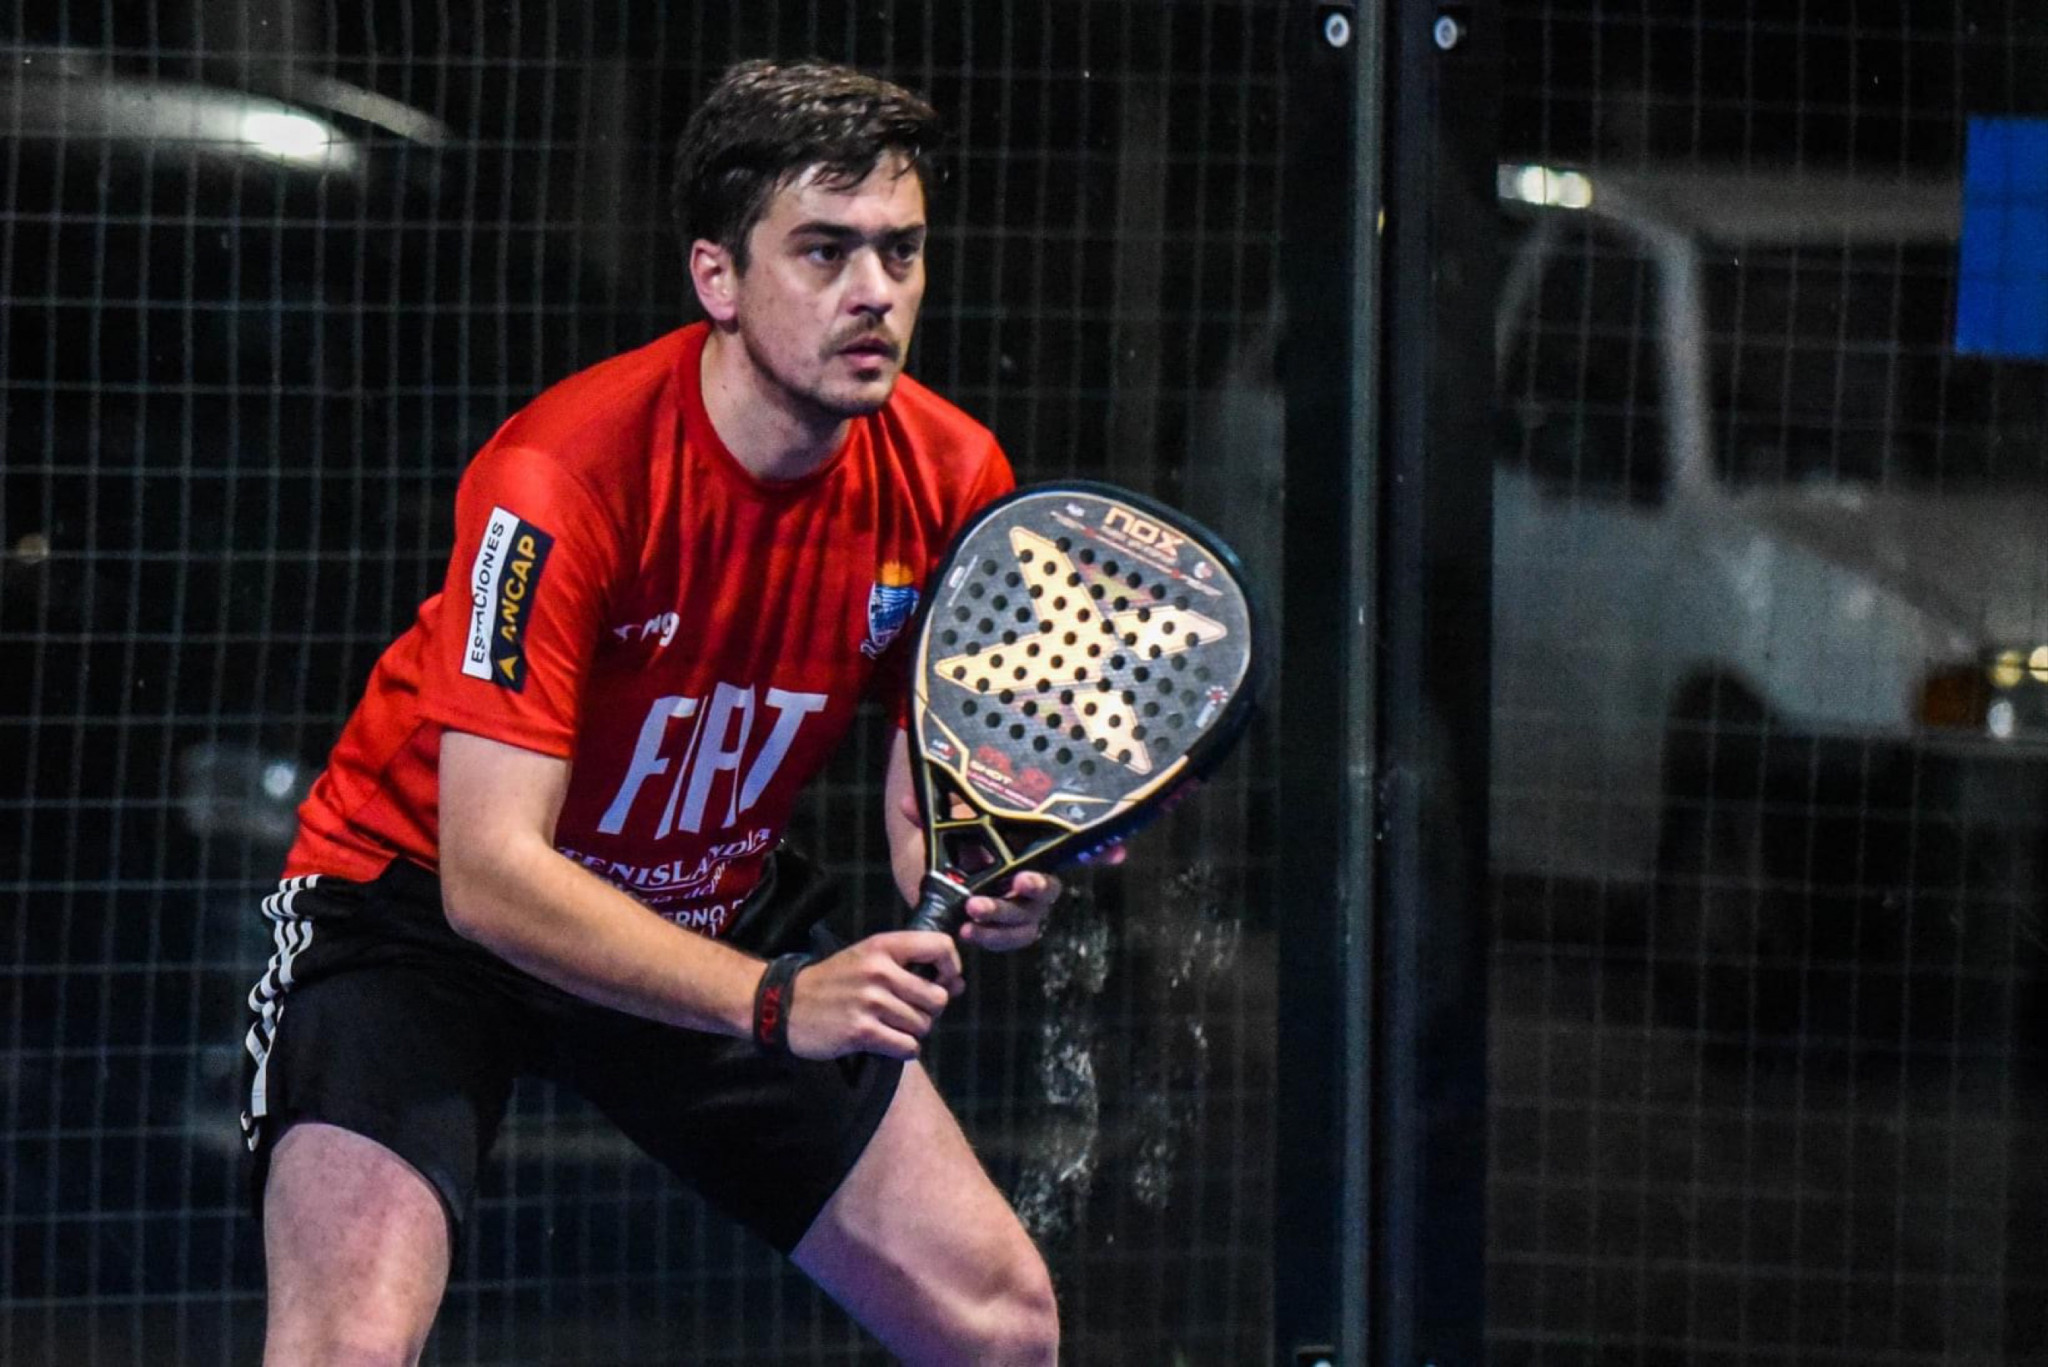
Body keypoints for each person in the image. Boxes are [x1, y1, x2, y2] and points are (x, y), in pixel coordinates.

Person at [240, 57, 1066, 1365]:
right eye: (826, 251)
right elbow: (488, 876)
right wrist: (775, 1002)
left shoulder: (953, 473)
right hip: (421, 919)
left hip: (703, 905)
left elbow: (929, 795)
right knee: (346, 1346)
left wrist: (982, 875)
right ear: (717, 277)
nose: (875, 291)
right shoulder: (563, 477)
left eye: (901, 251)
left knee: (1001, 1325)